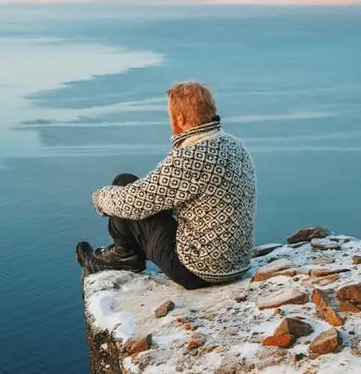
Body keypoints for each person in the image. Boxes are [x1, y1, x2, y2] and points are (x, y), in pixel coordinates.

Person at [76, 82, 256, 289]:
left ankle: (124, 256)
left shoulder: (190, 157)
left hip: (198, 271)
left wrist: (98, 197)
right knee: (132, 188)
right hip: (237, 263)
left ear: (180, 118)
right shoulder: (234, 145)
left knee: (123, 185)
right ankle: (125, 255)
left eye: (170, 114)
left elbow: (133, 202)